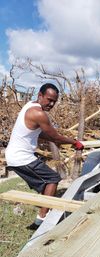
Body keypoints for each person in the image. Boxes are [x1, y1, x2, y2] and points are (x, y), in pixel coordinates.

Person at [5, 83, 84, 230]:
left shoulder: (29, 105)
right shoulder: (39, 114)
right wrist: (75, 143)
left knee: (46, 182)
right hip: (21, 158)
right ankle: (41, 220)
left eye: (54, 101)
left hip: (18, 155)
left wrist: (53, 139)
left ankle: (44, 208)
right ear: (40, 96)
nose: (51, 104)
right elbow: (56, 137)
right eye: (49, 99)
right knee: (52, 179)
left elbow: (37, 132)